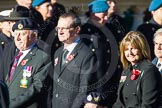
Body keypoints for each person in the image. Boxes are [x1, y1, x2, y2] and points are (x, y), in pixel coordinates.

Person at [80, 0, 121, 107]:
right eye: (103, 15)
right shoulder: (84, 31)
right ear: (93, 14)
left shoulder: (111, 29)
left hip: (111, 84)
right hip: (93, 86)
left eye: (107, 14)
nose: (106, 18)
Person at [52, 12, 97, 108]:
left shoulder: (86, 54)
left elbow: (84, 90)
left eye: (64, 28)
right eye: (58, 28)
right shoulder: (58, 52)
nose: (60, 32)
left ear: (77, 30)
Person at [5, 18, 52, 108]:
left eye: (22, 34)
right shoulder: (17, 55)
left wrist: (11, 104)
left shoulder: (42, 57)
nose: (17, 38)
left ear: (34, 36)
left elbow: (37, 88)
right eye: (15, 34)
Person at [112, 31, 162, 108]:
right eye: (126, 49)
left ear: (142, 48)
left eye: (133, 49)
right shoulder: (126, 71)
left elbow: (148, 105)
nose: (129, 53)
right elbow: (119, 103)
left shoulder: (149, 70)